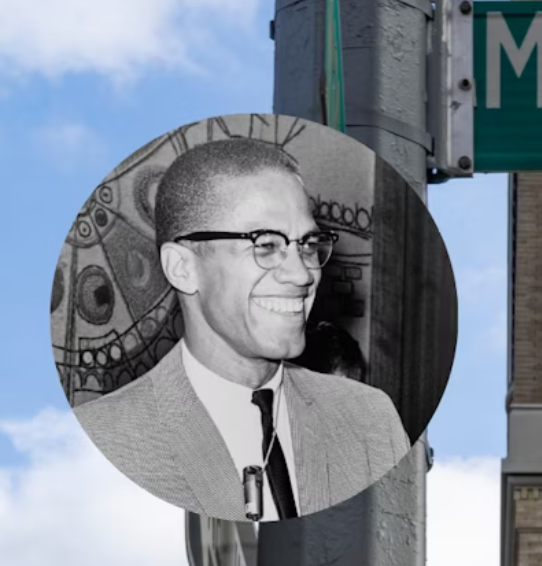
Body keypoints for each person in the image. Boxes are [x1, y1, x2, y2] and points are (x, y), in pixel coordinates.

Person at [73, 137, 409, 522]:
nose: (302, 273)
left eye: (308, 243)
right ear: (183, 267)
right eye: (265, 244)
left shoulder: (371, 421)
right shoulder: (105, 440)